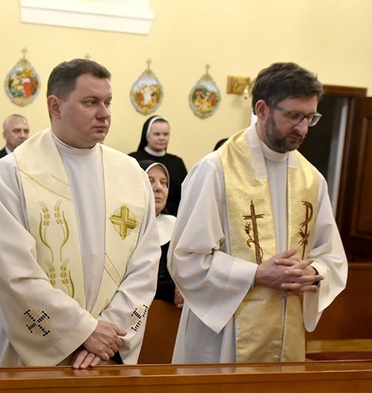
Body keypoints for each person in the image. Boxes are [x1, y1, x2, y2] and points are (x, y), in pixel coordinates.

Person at [0, 58, 160, 370]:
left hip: (108, 350)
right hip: (32, 352)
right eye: (91, 102)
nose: (104, 114)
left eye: (108, 103)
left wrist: (108, 333)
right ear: (55, 106)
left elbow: (144, 266)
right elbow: (12, 271)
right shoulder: (15, 172)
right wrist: (83, 331)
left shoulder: (131, 173)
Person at [169, 62, 348, 364]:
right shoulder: (215, 170)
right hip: (220, 341)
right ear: (262, 108)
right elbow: (186, 259)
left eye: (310, 117)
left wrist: (314, 273)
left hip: (285, 336)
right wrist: (256, 275)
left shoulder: (311, 179)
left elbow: (332, 257)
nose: (303, 128)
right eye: (293, 115)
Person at [139, 160, 182, 307]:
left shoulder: (176, 225)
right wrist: (171, 290)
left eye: (164, 183)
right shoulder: (124, 228)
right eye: (150, 181)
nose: (159, 188)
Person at [129, 115, 187, 215]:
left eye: (165, 134)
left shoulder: (177, 162)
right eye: (157, 134)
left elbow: (184, 195)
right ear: (146, 135)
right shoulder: (133, 159)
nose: (162, 138)